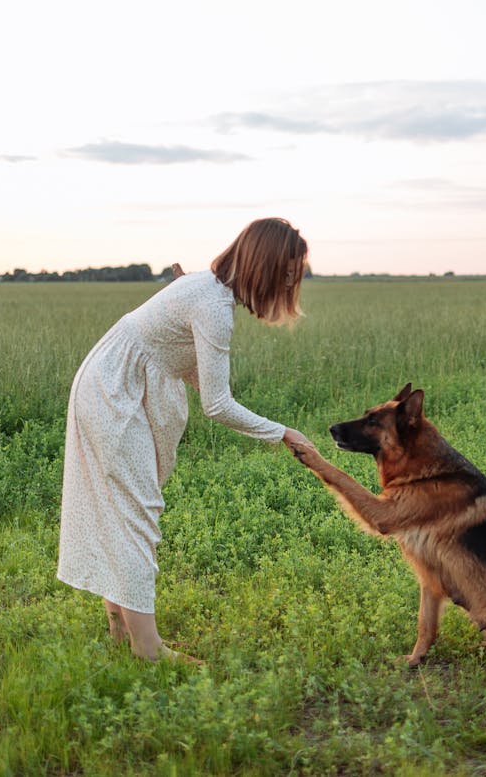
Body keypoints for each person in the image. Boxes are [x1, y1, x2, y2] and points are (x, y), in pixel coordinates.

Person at [57, 217, 315, 662]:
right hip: (113, 390)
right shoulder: (213, 306)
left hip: (114, 382)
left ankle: (122, 628)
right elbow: (217, 405)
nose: (292, 281)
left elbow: (183, 366)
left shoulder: (208, 290)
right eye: (289, 272)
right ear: (266, 265)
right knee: (137, 511)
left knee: (126, 507)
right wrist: (283, 433)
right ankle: (148, 648)